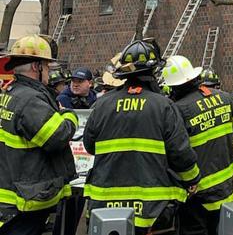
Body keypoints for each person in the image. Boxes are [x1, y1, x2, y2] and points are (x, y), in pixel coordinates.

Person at [83, 40, 201, 234]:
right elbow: (180, 152)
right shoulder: (163, 106)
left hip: (105, 207)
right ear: (153, 72)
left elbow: (90, 147)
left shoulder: (101, 105)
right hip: (152, 210)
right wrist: (192, 179)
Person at [0, 34, 78, 235]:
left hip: (9, 195)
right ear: (37, 67)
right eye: (47, 66)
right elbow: (57, 137)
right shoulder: (30, 100)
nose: (49, 72)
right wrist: (68, 116)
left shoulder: (8, 93)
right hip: (24, 202)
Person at [161, 55, 233, 235]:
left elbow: (176, 151)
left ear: (173, 86)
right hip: (226, 188)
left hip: (196, 195)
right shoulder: (224, 97)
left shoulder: (177, 109)